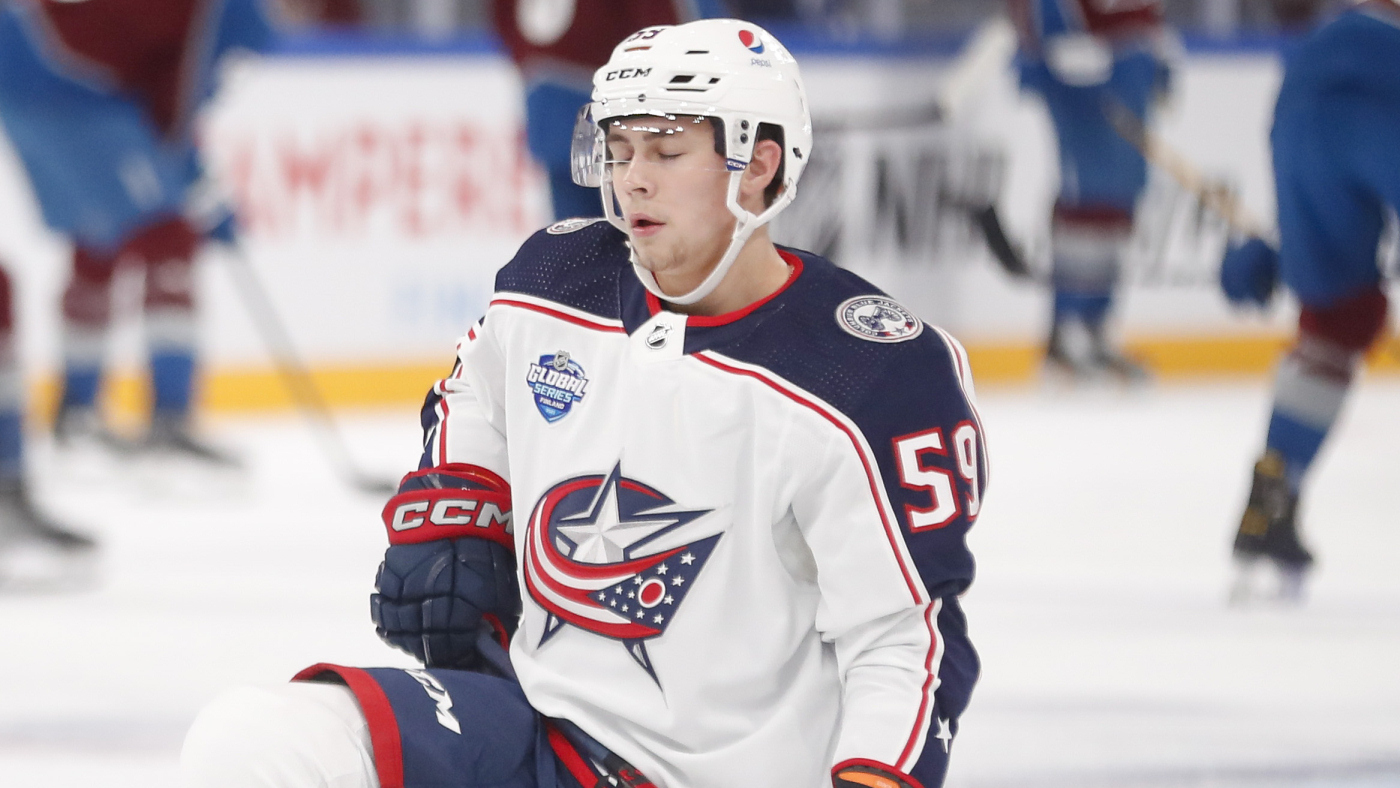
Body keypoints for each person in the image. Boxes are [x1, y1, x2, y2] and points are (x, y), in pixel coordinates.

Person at [181, 19, 988, 788]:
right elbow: (474, 395)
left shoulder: (867, 373)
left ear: (759, 164)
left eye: (667, 150)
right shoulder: (554, 282)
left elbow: (903, 639)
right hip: (537, 732)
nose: (633, 177)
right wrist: (462, 502)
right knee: (254, 737)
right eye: (620, 148)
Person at [0, 0, 286, 470]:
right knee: (167, 234)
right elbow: (174, 101)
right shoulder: (228, 12)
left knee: (101, 232)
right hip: (65, 81)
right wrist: (191, 178)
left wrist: (186, 169)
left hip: (29, 76)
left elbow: (161, 91)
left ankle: (77, 415)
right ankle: (166, 421)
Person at [1220, 0, 1399, 600]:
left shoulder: (1334, 31)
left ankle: (1273, 493)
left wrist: (1290, 246)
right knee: (1342, 321)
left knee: (1334, 321)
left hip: (1301, 106)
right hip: (1384, 97)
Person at [1008, 0, 1175, 380]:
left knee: (1121, 200)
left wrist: (1159, 61)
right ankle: (1068, 330)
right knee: (1088, 201)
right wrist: (1047, 55)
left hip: (1129, 69)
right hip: (1080, 70)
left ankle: (1096, 327)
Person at [490, 0, 723, 221]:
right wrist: (528, 57)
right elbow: (504, 16)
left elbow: (666, 26)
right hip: (556, 106)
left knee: (634, 208)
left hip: (622, 102)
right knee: (576, 227)